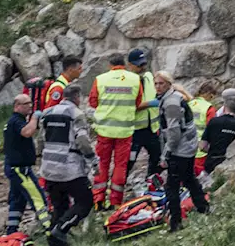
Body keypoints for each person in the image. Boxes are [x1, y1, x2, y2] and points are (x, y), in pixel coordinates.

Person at [39, 85, 96, 246]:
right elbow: (83, 141)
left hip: (49, 168)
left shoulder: (47, 113)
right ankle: (61, 230)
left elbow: (40, 140)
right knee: (85, 202)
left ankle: (54, 239)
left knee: (60, 206)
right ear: (77, 97)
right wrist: (92, 160)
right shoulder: (76, 114)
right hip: (69, 168)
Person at [154, 72, 209, 233]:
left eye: (161, 84)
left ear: (169, 84)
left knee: (171, 186)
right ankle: (203, 207)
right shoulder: (175, 96)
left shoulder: (170, 102)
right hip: (188, 146)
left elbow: (174, 131)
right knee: (189, 179)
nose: (157, 87)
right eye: (156, 84)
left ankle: (175, 222)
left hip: (180, 149)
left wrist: (166, 154)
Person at [88, 52, 143, 209]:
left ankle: (98, 199)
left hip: (104, 130)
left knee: (102, 164)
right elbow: (138, 102)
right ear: (124, 64)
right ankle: (116, 201)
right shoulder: (135, 79)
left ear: (110, 65)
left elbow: (93, 102)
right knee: (120, 165)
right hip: (125, 131)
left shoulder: (101, 79)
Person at [2, 93, 51, 236]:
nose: (30, 106)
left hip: (14, 167)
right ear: (17, 106)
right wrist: (35, 117)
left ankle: (12, 231)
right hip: (20, 169)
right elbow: (27, 132)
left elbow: (29, 129)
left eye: (30, 103)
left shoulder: (16, 121)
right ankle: (50, 229)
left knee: (17, 200)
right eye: (26, 104)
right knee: (38, 198)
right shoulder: (16, 121)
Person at [125, 48, 161, 185]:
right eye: (139, 65)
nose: (142, 67)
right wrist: (150, 104)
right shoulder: (128, 82)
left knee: (157, 157)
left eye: (144, 64)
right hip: (134, 130)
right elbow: (130, 106)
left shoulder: (149, 77)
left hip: (151, 129)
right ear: (130, 65)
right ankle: (117, 191)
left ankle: (151, 184)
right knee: (129, 161)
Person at [199, 97, 235, 174]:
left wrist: (213, 149)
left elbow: (202, 146)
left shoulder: (214, 121)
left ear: (224, 108)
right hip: (231, 164)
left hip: (211, 163)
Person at [187, 81, 218, 177]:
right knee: (200, 178)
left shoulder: (189, 104)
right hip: (201, 150)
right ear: (210, 94)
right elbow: (213, 130)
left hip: (186, 147)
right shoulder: (209, 108)